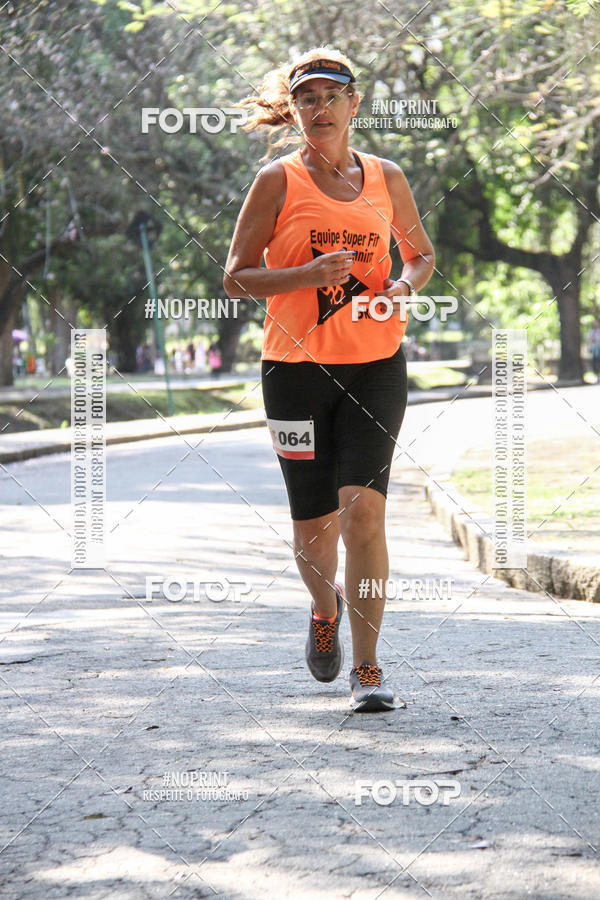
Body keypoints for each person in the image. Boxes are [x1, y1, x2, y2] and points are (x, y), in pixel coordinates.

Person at [224, 48, 435, 712]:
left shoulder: (387, 177)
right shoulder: (277, 181)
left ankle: (367, 668)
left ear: (354, 104)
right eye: (307, 98)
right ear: (295, 110)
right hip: (294, 374)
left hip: (376, 366)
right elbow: (236, 277)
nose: (320, 108)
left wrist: (403, 286)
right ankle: (325, 609)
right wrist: (307, 276)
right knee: (314, 529)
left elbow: (421, 255)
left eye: (331, 96)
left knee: (364, 514)